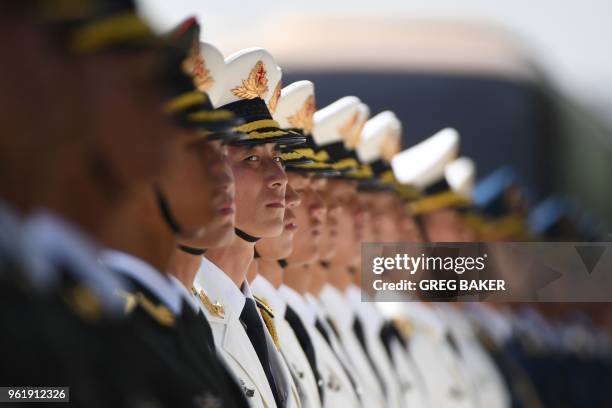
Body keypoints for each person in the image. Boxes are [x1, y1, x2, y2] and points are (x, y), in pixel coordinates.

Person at [193, 45, 304, 408]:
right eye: (251, 158)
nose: (278, 177)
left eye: (278, 157)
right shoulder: (192, 319)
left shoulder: (259, 319)